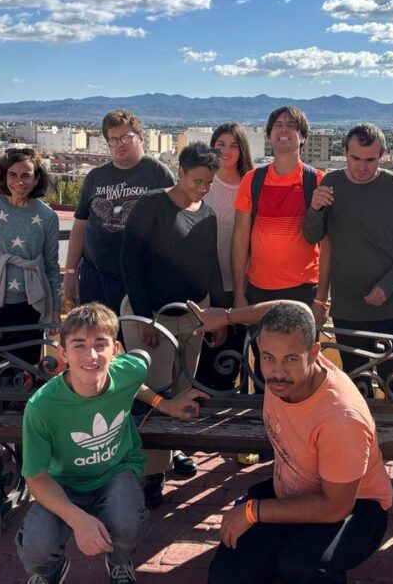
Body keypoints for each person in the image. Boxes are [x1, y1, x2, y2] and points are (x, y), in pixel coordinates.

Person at [192, 301, 392, 584]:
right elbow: (291, 308)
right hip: (291, 490)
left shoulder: (341, 418)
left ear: (314, 353)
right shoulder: (288, 351)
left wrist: (252, 511)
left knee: (301, 564)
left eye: (291, 359)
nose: (277, 372)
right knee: (227, 575)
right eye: (268, 357)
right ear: (259, 348)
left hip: (356, 506)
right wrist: (226, 317)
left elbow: (335, 507)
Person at [15, 303, 206, 584]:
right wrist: (77, 519)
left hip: (115, 471)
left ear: (116, 350)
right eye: (79, 345)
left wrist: (163, 404)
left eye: (100, 344)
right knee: (36, 550)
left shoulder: (129, 369)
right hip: (63, 482)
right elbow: (35, 478)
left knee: (127, 520)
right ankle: (50, 570)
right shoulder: (42, 406)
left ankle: (120, 558)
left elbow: (135, 381)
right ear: (63, 354)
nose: (91, 355)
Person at [302, 122, 393, 504]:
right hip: (347, 307)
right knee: (356, 389)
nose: (361, 166)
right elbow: (311, 236)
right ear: (345, 153)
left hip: (389, 307)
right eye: (355, 158)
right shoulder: (331, 184)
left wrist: (385, 286)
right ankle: (361, 463)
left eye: (370, 160)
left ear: (382, 157)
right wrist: (315, 207)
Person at [120, 143, 224, 508]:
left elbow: (211, 266)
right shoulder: (151, 205)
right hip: (153, 316)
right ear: (179, 172)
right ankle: (151, 474)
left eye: (208, 183)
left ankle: (172, 452)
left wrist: (218, 315)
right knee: (156, 395)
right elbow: (130, 263)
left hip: (192, 317)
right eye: (197, 181)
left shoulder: (207, 214)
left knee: (183, 390)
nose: (203, 189)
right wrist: (145, 316)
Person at [64, 109, 175, 314]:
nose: (119, 144)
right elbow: (80, 226)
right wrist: (70, 271)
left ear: (141, 137)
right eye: (113, 140)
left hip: (140, 279)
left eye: (126, 137)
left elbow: (173, 228)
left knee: (133, 332)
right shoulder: (95, 177)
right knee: (95, 331)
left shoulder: (159, 174)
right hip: (95, 276)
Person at [0, 147, 60, 371]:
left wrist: (54, 310)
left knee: (26, 374)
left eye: (26, 175)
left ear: (37, 179)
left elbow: (51, 267)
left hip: (30, 307)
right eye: (13, 174)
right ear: (4, 177)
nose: (19, 181)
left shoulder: (48, 217)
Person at [231, 106, 329, 322]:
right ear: (269, 135)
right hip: (258, 289)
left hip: (304, 290)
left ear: (303, 137)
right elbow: (240, 237)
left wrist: (321, 300)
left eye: (291, 125)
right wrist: (239, 292)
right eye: (278, 125)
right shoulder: (252, 180)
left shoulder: (317, 181)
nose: (284, 129)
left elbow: (328, 245)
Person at [197, 122, 255, 392]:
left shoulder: (252, 184)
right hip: (203, 284)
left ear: (242, 150)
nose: (226, 151)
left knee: (229, 360)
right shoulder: (202, 182)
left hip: (238, 285)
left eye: (233, 145)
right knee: (199, 359)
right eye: (220, 145)